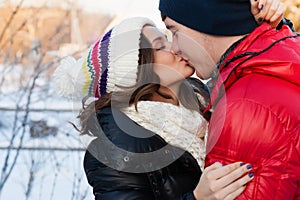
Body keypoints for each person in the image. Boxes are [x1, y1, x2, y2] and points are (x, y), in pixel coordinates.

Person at [53, 17, 254, 200]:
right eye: (160, 46)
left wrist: (268, 22)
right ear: (137, 70)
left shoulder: (209, 101)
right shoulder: (113, 149)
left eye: (169, 38)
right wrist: (197, 198)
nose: (175, 48)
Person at [159, 0, 300, 199]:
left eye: (174, 31)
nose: (173, 48)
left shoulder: (243, 107)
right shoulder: (282, 58)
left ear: (203, 21)